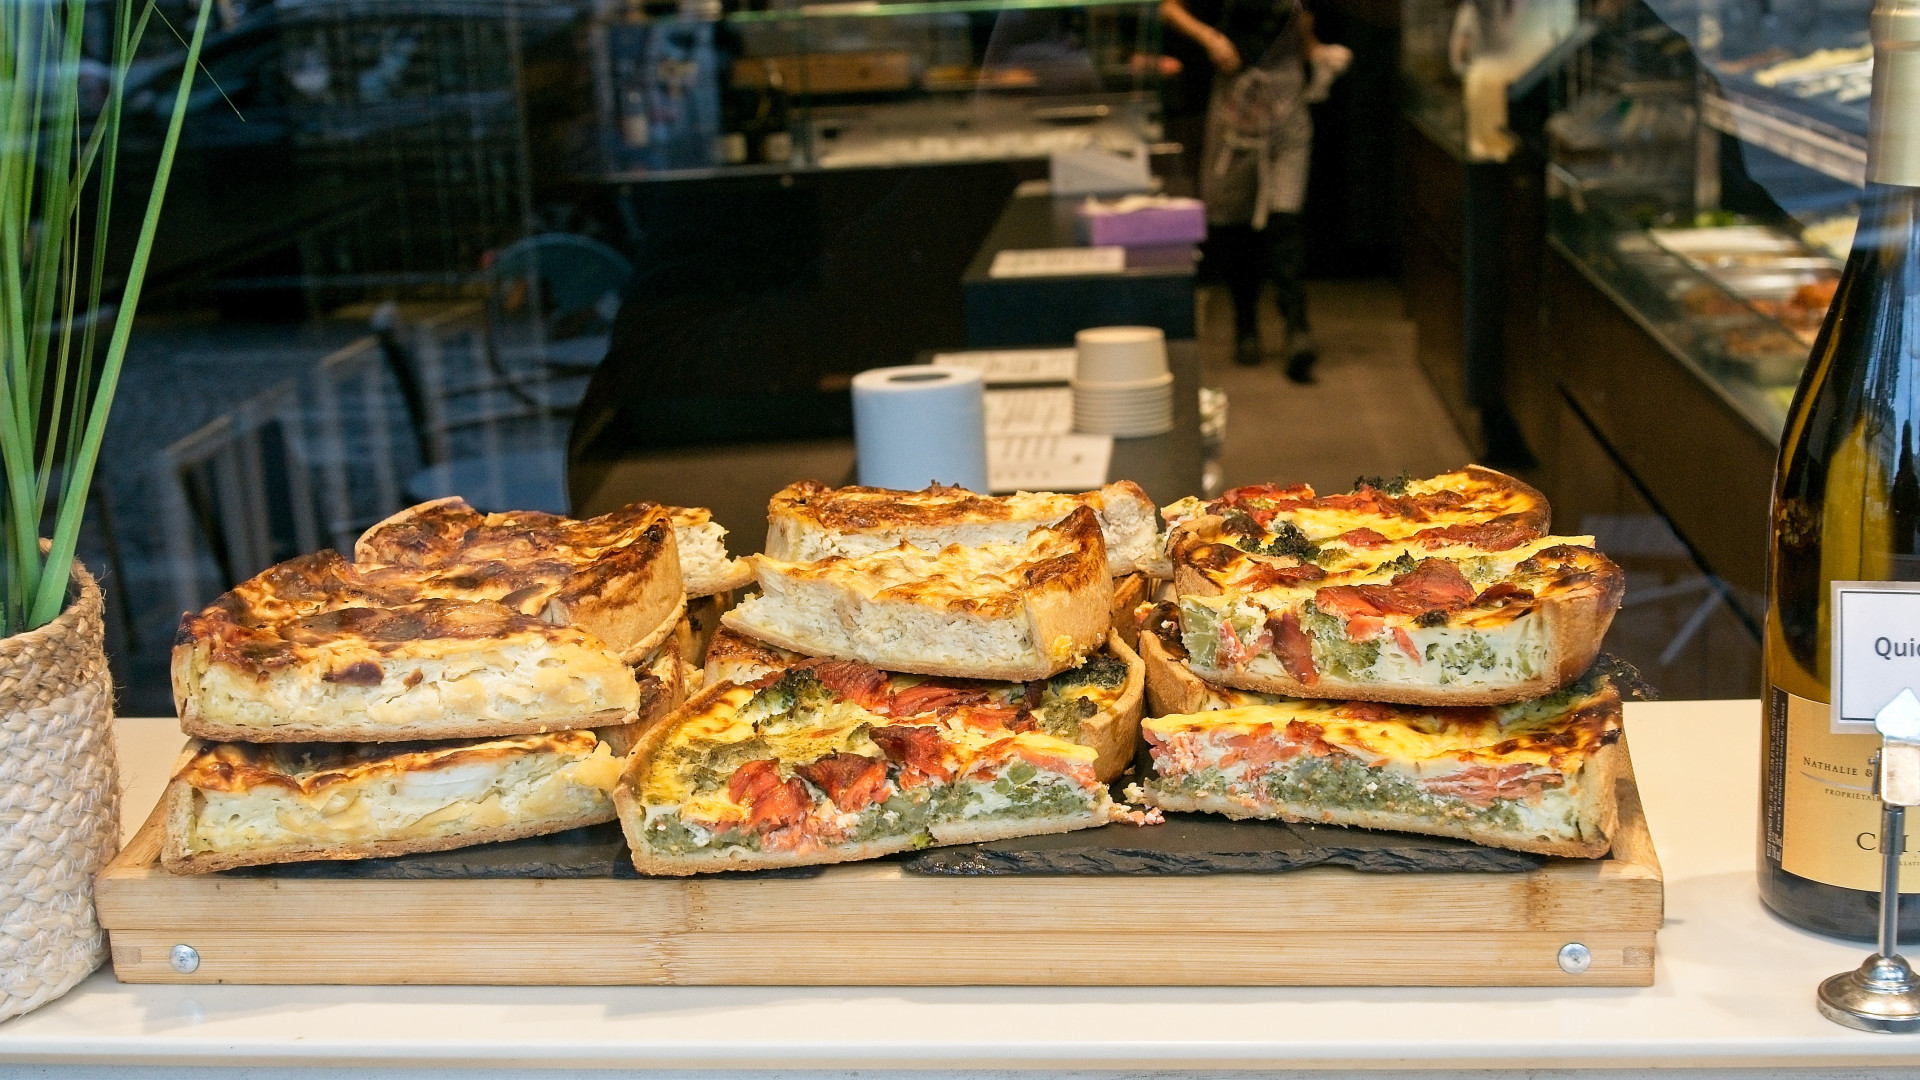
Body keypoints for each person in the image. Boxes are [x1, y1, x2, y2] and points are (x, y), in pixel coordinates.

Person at [1160, 0, 1344, 382]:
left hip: (1286, 108)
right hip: (1236, 109)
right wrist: (1210, 38)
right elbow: (1168, 7)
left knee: (1286, 219)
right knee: (1234, 222)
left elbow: (1303, 31)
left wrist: (1320, 54)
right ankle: (1245, 324)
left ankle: (1297, 327)